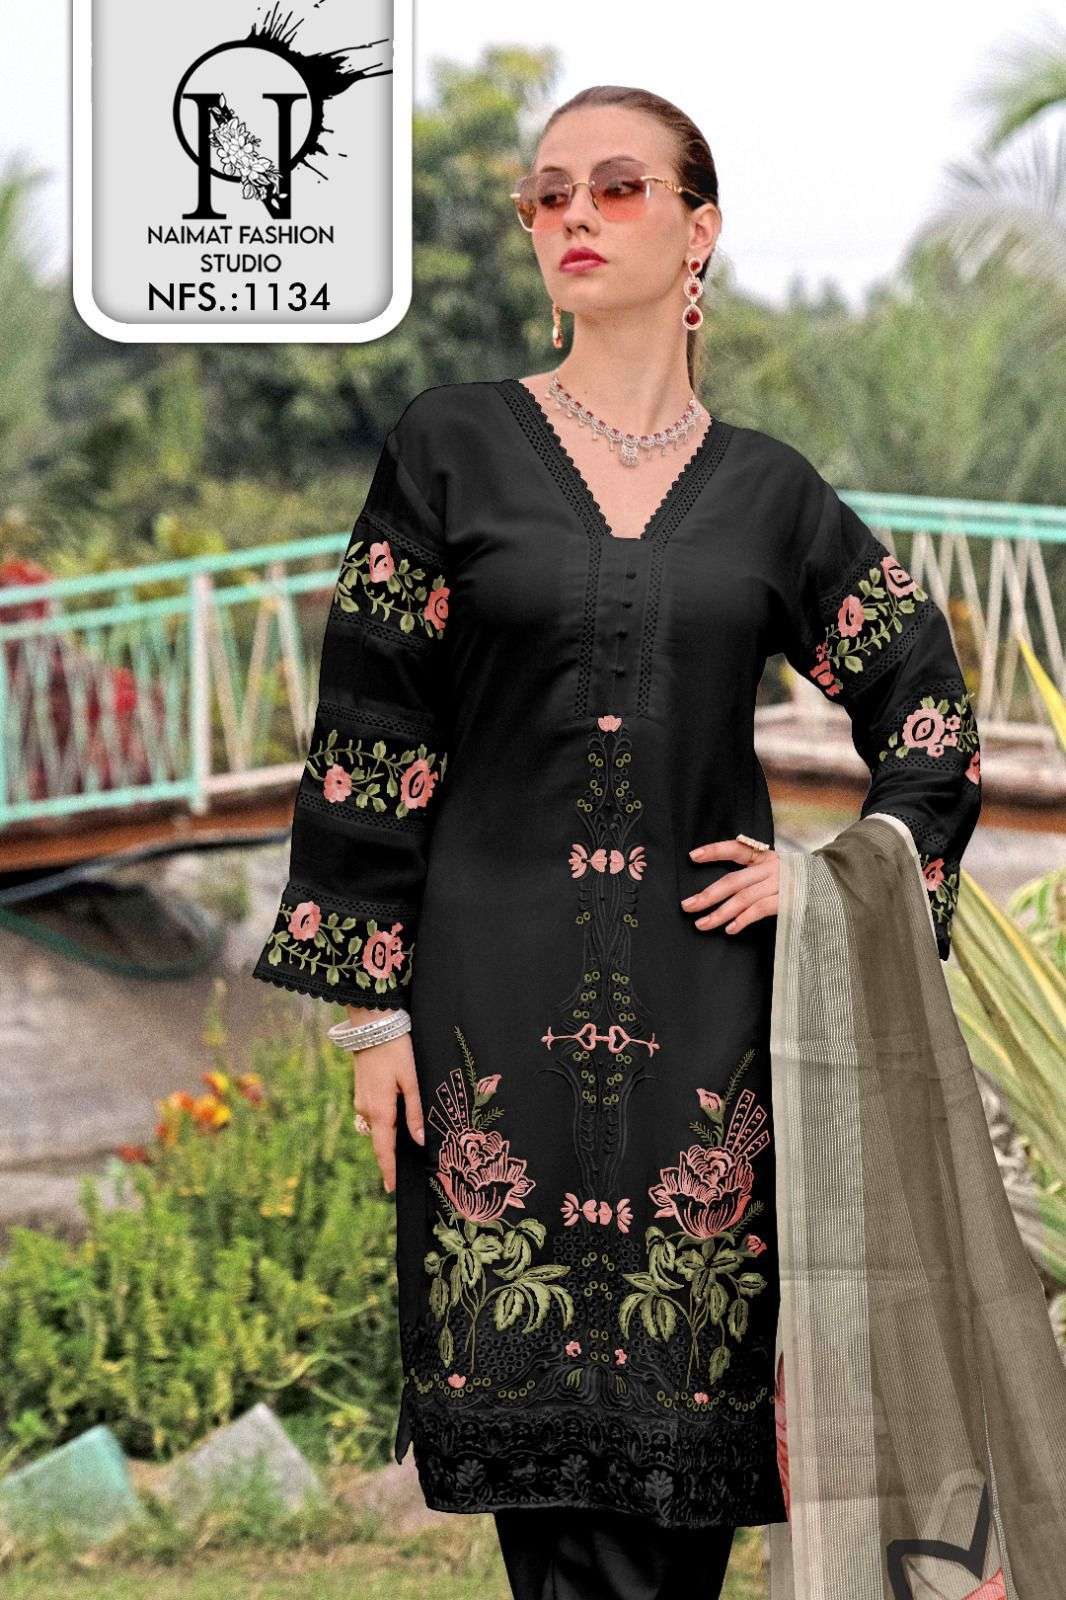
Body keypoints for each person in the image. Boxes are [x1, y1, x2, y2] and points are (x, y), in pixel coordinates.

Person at [252, 83, 982, 1600]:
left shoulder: (771, 496)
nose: (573, 214)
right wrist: (372, 1013)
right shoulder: (450, 447)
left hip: (707, 1018)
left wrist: (828, 880)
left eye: (618, 186)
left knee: (685, 1435)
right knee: (543, 1467)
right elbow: (373, 726)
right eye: (548, 193)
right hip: (487, 1015)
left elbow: (923, 706)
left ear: (698, 229)